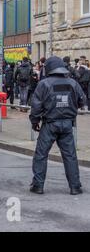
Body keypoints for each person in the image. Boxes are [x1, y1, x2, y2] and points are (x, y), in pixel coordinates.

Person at [29, 56, 86, 195]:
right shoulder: (72, 83)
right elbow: (82, 100)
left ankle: (38, 185)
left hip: (50, 124)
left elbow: (36, 106)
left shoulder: (44, 84)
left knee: (41, 154)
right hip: (67, 124)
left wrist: (35, 121)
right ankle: (75, 186)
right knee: (70, 155)